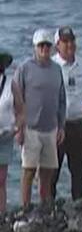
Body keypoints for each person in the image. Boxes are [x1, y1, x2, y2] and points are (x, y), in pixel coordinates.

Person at [11, 29, 67, 210]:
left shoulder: (57, 69)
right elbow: (16, 100)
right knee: (28, 171)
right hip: (30, 129)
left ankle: (45, 207)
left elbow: (61, 100)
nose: (44, 49)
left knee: (48, 172)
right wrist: (19, 129)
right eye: (41, 45)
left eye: (47, 45)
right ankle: (25, 207)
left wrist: (61, 126)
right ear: (35, 47)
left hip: (51, 129)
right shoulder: (24, 69)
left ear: (52, 48)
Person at [52, 26, 82, 201]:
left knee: (79, 174)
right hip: (57, 126)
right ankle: (49, 211)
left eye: (72, 40)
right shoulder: (52, 65)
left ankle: (79, 209)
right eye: (65, 41)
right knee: (51, 175)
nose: (70, 44)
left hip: (78, 124)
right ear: (57, 44)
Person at [0, 51, 14, 211]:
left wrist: (17, 128)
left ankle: (1, 215)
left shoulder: (11, 84)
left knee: (1, 179)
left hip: (5, 135)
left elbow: (21, 109)